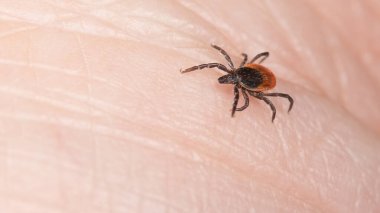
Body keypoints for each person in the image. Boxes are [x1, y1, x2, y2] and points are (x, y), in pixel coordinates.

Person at [0, 1, 379, 212]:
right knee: (227, 67)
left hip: (262, 73)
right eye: (233, 79)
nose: (229, 81)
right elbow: (238, 69)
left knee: (265, 92)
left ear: (240, 78)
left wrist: (241, 109)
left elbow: (271, 95)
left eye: (234, 83)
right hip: (260, 71)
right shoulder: (242, 73)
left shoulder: (250, 84)